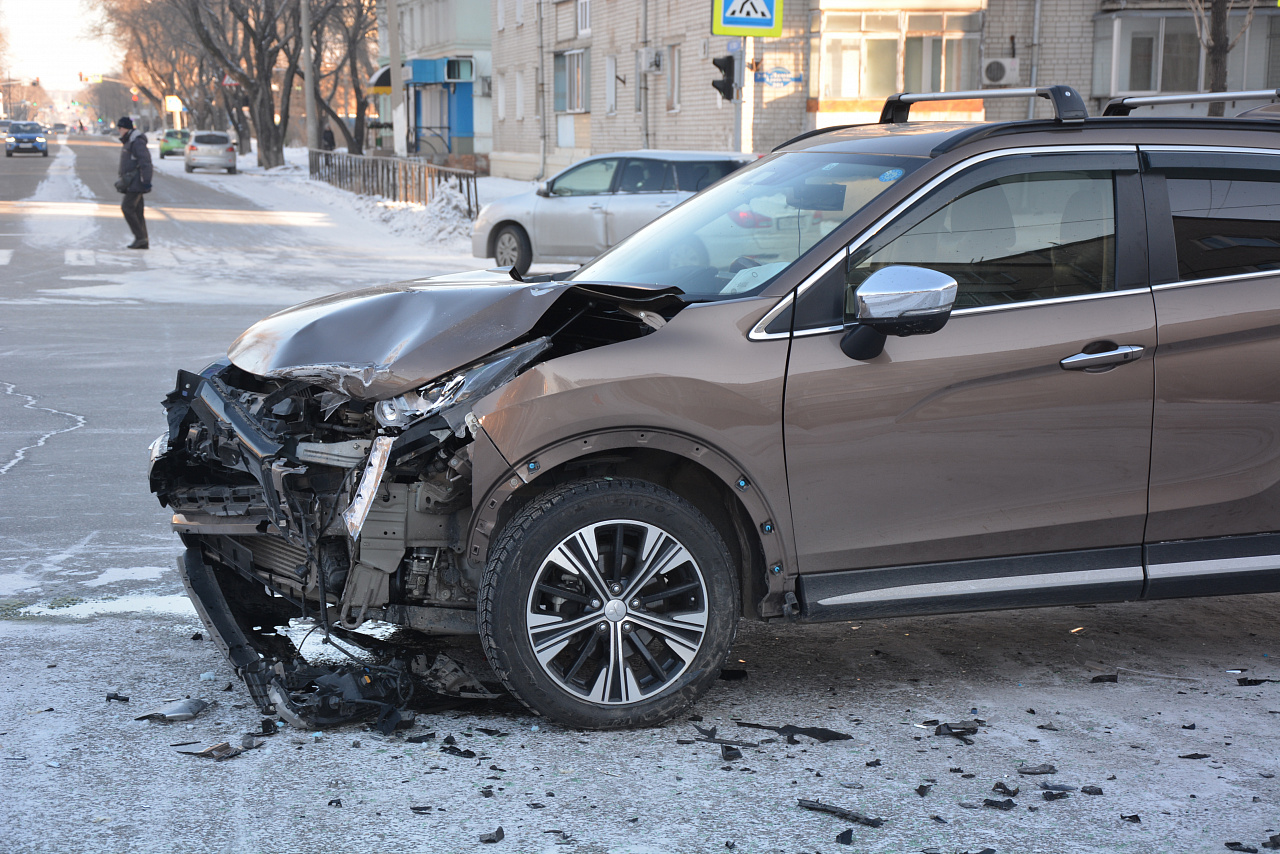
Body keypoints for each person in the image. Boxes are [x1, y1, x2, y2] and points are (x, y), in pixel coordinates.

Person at [116, 117, 153, 249]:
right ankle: (143, 240)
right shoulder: (130, 141)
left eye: (120, 128)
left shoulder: (136, 142)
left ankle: (140, 237)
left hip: (137, 183)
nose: (119, 131)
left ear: (125, 128)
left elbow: (145, 162)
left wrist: (146, 181)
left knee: (127, 208)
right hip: (133, 182)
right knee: (137, 212)